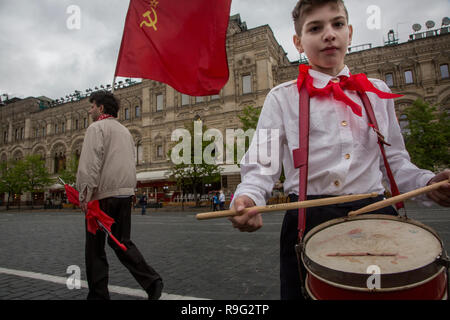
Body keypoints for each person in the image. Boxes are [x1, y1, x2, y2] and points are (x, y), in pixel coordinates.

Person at [228, 0, 450, 301]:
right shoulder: (281, 98)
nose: (328, 34)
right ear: (299, 43)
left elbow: (395, 160)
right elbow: (261, 166)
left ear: (350, 33)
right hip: (307, 217)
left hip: (375, 211)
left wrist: (427, 183)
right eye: (315, 28)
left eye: (337, 24)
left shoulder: (378, 92)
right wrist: (249, 197)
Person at [76, 91, 163, 300]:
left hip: (101, 196)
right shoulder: (125, 131)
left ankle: (98, 296)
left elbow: (90, 163)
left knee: (95, 248)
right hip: (124, 195)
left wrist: (84, 194)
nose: (90, 111)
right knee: (122, 242)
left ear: (101, 108)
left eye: (92, 106)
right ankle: (152, 281)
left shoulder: (96, 128)